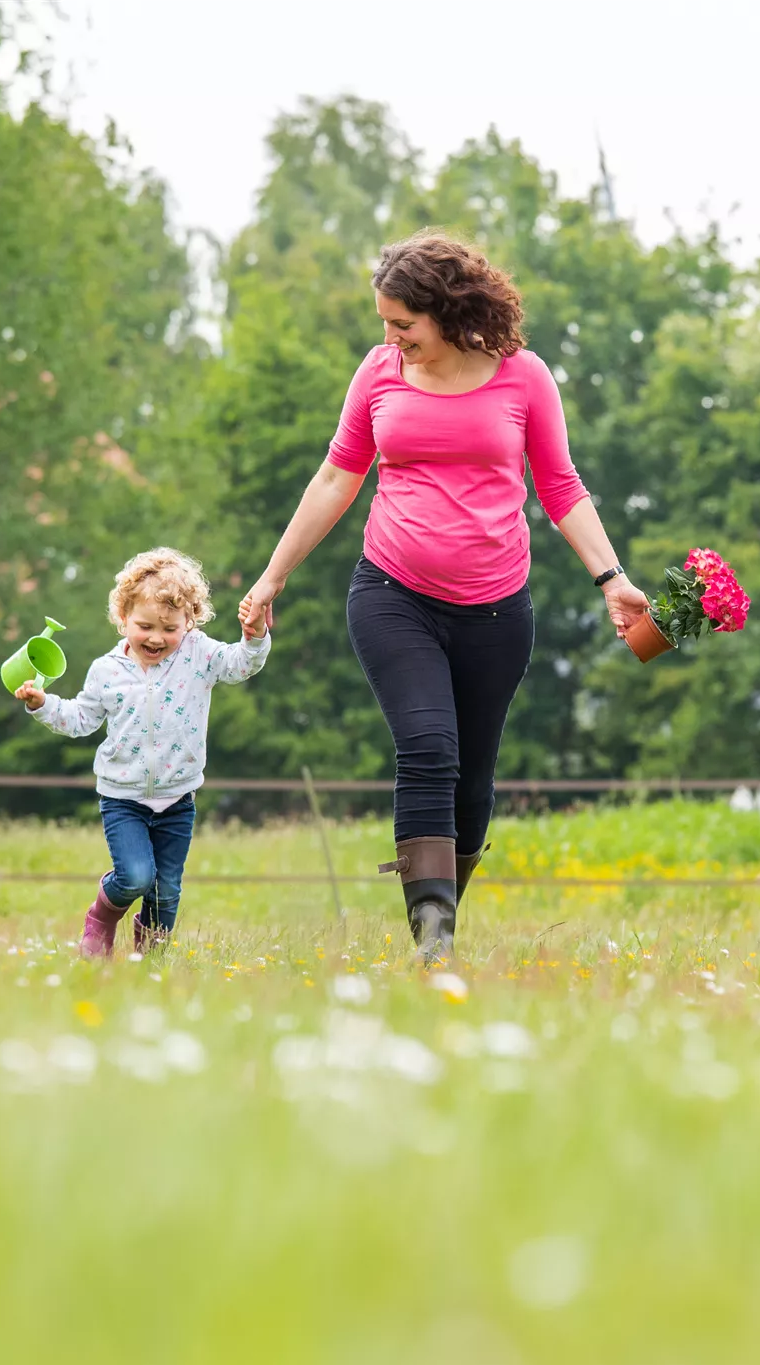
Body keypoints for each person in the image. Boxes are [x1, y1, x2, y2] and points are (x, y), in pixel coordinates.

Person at [241, 232, 649, 959]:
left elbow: (559, 486)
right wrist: (274, 575)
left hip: (497, 608)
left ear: (448, 310)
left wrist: (612, 579)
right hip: (392, 591)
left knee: (473, 775)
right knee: (427, 747)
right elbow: (338, 476)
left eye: (403, 324)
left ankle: (443, 913)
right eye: (385, 324)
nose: (391, 338)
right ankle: (432, 935)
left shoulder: (523, 378)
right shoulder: (379, 373)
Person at [17, 547, 271, 957]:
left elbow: (240, 664)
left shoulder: (199, 655)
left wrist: (254, 636)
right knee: (135, 877)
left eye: (170, 628)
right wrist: (42, 704)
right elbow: (81, 719)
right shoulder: (106, 670)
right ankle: (101, 917)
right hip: (123, 797)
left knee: (166, 889)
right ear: (122, 619)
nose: (156, 637)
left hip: (178, 797)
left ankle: (151, 962)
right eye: (145, 625)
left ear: (190, 621)